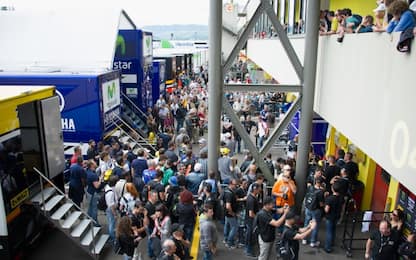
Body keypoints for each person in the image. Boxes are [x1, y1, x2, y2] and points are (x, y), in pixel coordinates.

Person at [324, 181, 344, 253]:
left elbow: (326, 210)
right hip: (337, 216)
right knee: (333, 230)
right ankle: (332, 243)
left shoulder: (330, 198)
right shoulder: (341, 198)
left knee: (329, 232)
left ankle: (328, 247)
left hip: (330, 217)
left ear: (332, 189)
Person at [245, 182, 261, 257]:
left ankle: (249, 249)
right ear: (255, 190)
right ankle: (249, 250)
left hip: (250, 220)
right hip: (250, 221)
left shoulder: (251, 197)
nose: (260, 190)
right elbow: (251, 213)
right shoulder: (251, 199)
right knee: (250, 236)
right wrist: (258, 218)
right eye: (259, 189)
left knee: (250, 235)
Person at [85, 160, 103, 226]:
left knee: (90, 207)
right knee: (94, 208)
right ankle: (95, 223)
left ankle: (88, 219)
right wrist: (100, 179)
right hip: (93, 193)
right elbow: (97, 186)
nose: (96, 163)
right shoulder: (93, 175)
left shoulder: (87, 171)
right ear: (92, 165)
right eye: (94, 163)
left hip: (88, 191)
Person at [223, 179, 239, 249]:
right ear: (230, 184)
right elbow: (228, 206)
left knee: (227, 225)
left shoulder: (226, 190)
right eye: (235, 185)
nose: (236, 186)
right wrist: (232, 213)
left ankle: (226, 239)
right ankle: (230, 242)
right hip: (230, 213)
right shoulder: (229, 193)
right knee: (234, 227)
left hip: (226, 213)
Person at [105, 175, 119, 246]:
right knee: (111, 223)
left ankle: (113, 235)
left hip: (111, 209)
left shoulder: (109, 187)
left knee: (112, 223)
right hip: (111, 210)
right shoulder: (110, 193)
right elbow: (111, 206)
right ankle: (112, 238)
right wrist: (115, 214)